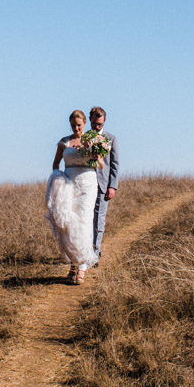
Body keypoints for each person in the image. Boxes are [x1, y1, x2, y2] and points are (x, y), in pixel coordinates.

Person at [45, 109, 102, 284]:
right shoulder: (64, 142)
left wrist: (91, 152)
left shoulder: (94, 140)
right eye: (73, 125)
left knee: (84, 222)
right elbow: (55, 163)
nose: (76, 128)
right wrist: (58, 179)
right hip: (68, 186)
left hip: (87, 184)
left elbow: (100, 164)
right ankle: (72, 265)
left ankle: (83, 266)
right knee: (69, 224)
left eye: (79, 125)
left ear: (84, 124)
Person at [89, 106, 119, 266]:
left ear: (104, 122)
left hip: (103, 185)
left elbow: (115, 164)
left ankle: (95, 253)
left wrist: (112, 186)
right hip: (86, 184)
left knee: (99, 220)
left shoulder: (111, 138)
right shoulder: (84, 137)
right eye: (94, 124)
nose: (97, 127)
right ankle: (87, 250)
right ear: (90, 121)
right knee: (87, 220)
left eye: (99, 124)